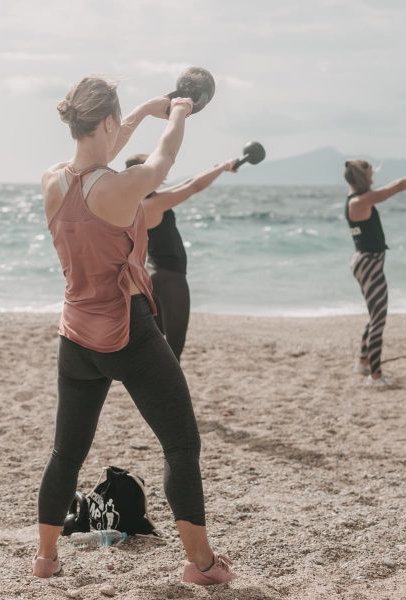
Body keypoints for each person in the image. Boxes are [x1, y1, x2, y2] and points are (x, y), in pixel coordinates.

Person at [34, 76, 235, 586]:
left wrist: (146, 107)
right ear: (104, 123)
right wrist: (177, 114)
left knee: (66, 452)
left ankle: (46, 558)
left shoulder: (52, 180)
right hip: (128, 332)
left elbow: (98, 154)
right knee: (181, 444)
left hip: (74, 335)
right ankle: (201, 564)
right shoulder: (122, 188)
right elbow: (163, 161)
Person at [125, 154, 237, 361]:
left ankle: (152, 387)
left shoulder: (142, 201)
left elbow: (187, 183)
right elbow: (193, 187)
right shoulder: (151, 204)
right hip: (170, 279)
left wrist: (220, 168)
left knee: (157, 345)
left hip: (154, 276)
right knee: (174, 349)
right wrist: (221, 168)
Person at [343, 159, 406, 385]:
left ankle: (363, 363)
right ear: (363, 178)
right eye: (371, 174)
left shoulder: (356, 200)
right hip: (369, 263)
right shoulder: (361, 200)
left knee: (374, 316)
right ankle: (375, 376)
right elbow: (396, 187)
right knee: (379, 320)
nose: (374, 176)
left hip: (366, 262)